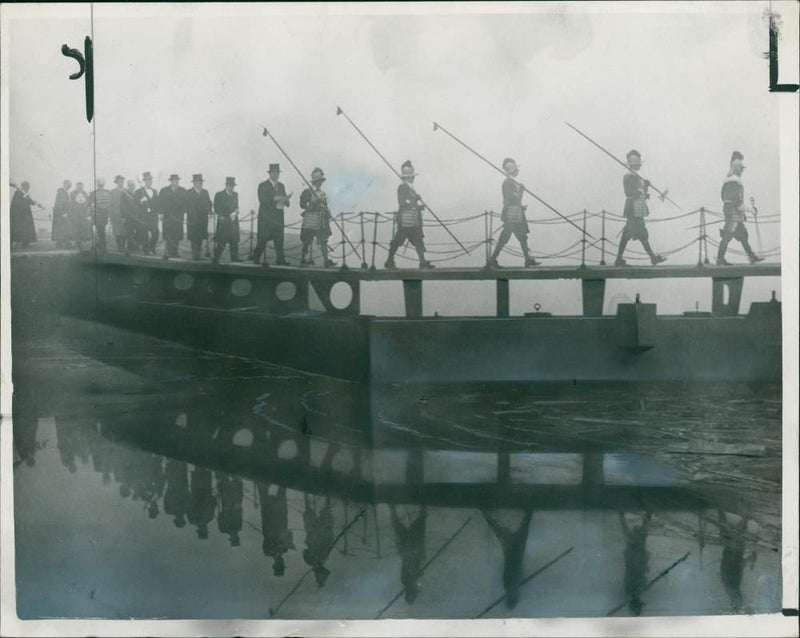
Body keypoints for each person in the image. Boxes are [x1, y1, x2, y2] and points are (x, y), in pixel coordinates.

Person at [615, 150, 666, 267]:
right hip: (633, 207)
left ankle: (652, 257)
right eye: (638, 163)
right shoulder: (629, 176)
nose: (639, 165)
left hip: (637, 206)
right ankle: (651, 258)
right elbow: (629, 193)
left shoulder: (635, 176)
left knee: (640, 233)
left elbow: (640, 193)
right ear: (633, 164)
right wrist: (644, 187)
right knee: (632, 233)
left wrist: (645, 189)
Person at [487, 158, 540, 268]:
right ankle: (492, 260)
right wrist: (520, 190)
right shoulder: (507, 183)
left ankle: (527, 260)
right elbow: (509, 199)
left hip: (516, 213)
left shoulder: (514, 182)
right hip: (511, 214)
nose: (517, 171)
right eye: (516, 169)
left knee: (522, 237)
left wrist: (521, 205)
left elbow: (516, 200)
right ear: (513, 170)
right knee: (505, 237)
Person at [384, 160, 434, 270]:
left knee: (417, 240)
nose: (413, 178)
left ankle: (422, 262)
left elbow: (409, 203)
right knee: (399, 241)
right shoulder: (402, 187)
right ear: (408, 177)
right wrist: (415, 200)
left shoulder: (409, 188)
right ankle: (389, 261)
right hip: (406, 219)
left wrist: (417, 206)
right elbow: (402, 203)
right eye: (412, 176)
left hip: (412, 219)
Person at [717, 152, 764, 265]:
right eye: (741, 168)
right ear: (737, 168)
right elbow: (739, 204)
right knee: (728, 236)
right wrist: (751, 210)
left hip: (732, 213)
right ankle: (720, 259)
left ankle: (751, 257)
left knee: (742, 235)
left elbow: (723, 197)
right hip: (734, 214)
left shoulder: (727, 182)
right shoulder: (735, 182)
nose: (742, 170)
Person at [483, 509, 533, 609]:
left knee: (519, 533)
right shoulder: (510, 588)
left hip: (514, 555)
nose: (517, 596)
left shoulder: (511, 588)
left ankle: (486, 513)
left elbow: (513, 570)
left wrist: (519, 580)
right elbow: (515, 572)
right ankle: (529, 513)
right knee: (519, 533)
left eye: (515, 598)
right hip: (514, 555)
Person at [253, 163, 291, 266]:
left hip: (278, 217)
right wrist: (276, 198)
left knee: (279, 239)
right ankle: (256, 257)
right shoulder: (263, 185)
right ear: (270, 173)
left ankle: (280, 260)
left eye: (278, 173)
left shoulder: (281, 186)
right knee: (263, 238)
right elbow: (262, 200)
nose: (277, 175)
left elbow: (287, 203)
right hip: (266, 218)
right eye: (274, 173)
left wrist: (286, 200)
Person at [299, 167, 336, 267]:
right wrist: (311, 204)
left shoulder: (322, 193)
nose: (320, 183)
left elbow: (325, 205)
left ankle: (326, 261)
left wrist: (327, 212)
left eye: (321, 181)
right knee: (307, 241)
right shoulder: (307, 191)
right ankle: (303, 259)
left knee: (323, 240)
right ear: (314, 182)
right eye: (318, 181)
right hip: (310, 220)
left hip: (320, 220)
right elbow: (302, 204)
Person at [619, 510, 652, 616]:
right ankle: (648, 514)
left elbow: (635, 575)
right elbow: (640, 576)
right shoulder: (635, 591)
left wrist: (644, 583)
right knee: (639, 533)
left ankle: (622, 515)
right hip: (636, 553)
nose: (640, 600)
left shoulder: (631, 590)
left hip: (634, 553)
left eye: (639, 603)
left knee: (632, 532)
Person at [212, 176, 241, 264]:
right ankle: (216, 258)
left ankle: (235, 258)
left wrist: (237, 211)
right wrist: (221, 216)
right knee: (222, 241)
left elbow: (236, 206)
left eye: (232, 186)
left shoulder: (235, 195)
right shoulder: (219, 195)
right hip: (223, 221)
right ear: (226, 186)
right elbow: (216, 208)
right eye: (229, 185)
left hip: (233, 221)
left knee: (234, 241)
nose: (231, 187)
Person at [159, 174, 186, 260]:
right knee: (168, 235)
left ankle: (175, 252)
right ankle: (167, 252)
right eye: (174, 180)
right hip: (168, 217)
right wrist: (161, 213)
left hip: (178, 217)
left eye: (177, 180)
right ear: (171, 181)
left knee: (177, 235)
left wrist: (182, 212)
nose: (175, 182)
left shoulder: (183, 191)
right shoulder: (164, 190)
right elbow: (161, 203)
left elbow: (185, 204)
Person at [186, 173, 212, 261]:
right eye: (197, 182)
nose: (200, 184)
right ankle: (195, 256)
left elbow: (209, 203)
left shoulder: (205, 192)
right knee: (194, 238)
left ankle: (198, 255)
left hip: (202, 219)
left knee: (200, 237)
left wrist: (209, 210)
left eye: (200, 182)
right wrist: (190, 210)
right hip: (193, 220)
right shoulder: (188, 193)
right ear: (194, 183)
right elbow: (185, 205)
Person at [134, 171, 159, 255]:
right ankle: (145, 249)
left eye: (150, 180)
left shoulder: (155, 191)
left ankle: (152, 248)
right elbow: (135, 204)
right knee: (145, 235)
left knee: (156, 232)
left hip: (153, 217)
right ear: (144, 181)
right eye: (147, 180)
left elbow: (157, 204)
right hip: (143, 217)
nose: (149, 181)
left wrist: (158, 213)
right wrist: (140, 201)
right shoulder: (138, 192)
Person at [9, 181, 40, 248]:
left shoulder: (24, 193)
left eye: (28, 187)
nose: (28, 188)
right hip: (20, 215)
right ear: (24, 187)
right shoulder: (18, 193)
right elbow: (16, 204)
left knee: (26, 229)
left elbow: (29, 201)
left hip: (25, 215)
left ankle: (25, 243)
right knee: (17, 229)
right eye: (27, 187)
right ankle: (11, 242)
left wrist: (34, 203)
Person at [88, 177, 111, 253]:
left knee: (101, 231)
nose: (100, 186)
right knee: (98, 231)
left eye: (101, 185)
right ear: (97, 185)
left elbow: (110, 204)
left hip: (104, 214)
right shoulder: (93, 193)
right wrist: (89, 214)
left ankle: (102, 246)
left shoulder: (108, 192)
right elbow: (89, 205)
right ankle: (98, 245)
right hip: (97, 214)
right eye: (99, 185)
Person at [121, 179, 142, 254]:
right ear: (128, 186)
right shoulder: (124, 194)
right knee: (130, 232)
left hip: (137, 217)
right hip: (128, 217)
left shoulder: (137, 193)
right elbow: (122, 206)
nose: (131, 187)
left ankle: (135, 246)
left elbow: (139, 204)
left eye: (133, 185)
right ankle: (130, 248)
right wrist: (123, 217)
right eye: (130, 185)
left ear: (135, 186)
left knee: (139, 232)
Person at [69, 181, 91, 250]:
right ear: (76, 186)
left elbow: (87, 203)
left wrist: (87, 213)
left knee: (83, 228)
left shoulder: (85, 193)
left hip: (83, 214)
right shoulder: (72, 193)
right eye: (78, 186)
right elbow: (71, 204)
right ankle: (77, 242)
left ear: (82, 187)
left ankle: (81, 241)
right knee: (76, 228)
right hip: (75, 214)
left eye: (81, 186)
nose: (79, 188)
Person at [108, 175, 126, 251]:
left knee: (125, 231)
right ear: (116, 183)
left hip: (125, 215)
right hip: (116, 215)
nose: (121, 183)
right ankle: (120, 246)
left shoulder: (126, 191)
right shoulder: (112, 192)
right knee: (117, 232)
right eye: (119, 181)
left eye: (122, 181)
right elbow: (110, 205)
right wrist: (111, 216)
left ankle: (123, 245)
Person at [52, 180, 72, 248]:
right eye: (68, 185)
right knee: (64, 229)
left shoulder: (64, 192)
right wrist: (63, 213)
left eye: (70, 185)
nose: (69, 186)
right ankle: (65, 243)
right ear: (64, 184)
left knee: (61, 229)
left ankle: (60, 243)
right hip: (62, 213)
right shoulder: (62, 192)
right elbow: (60, 203)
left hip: (61, 213)